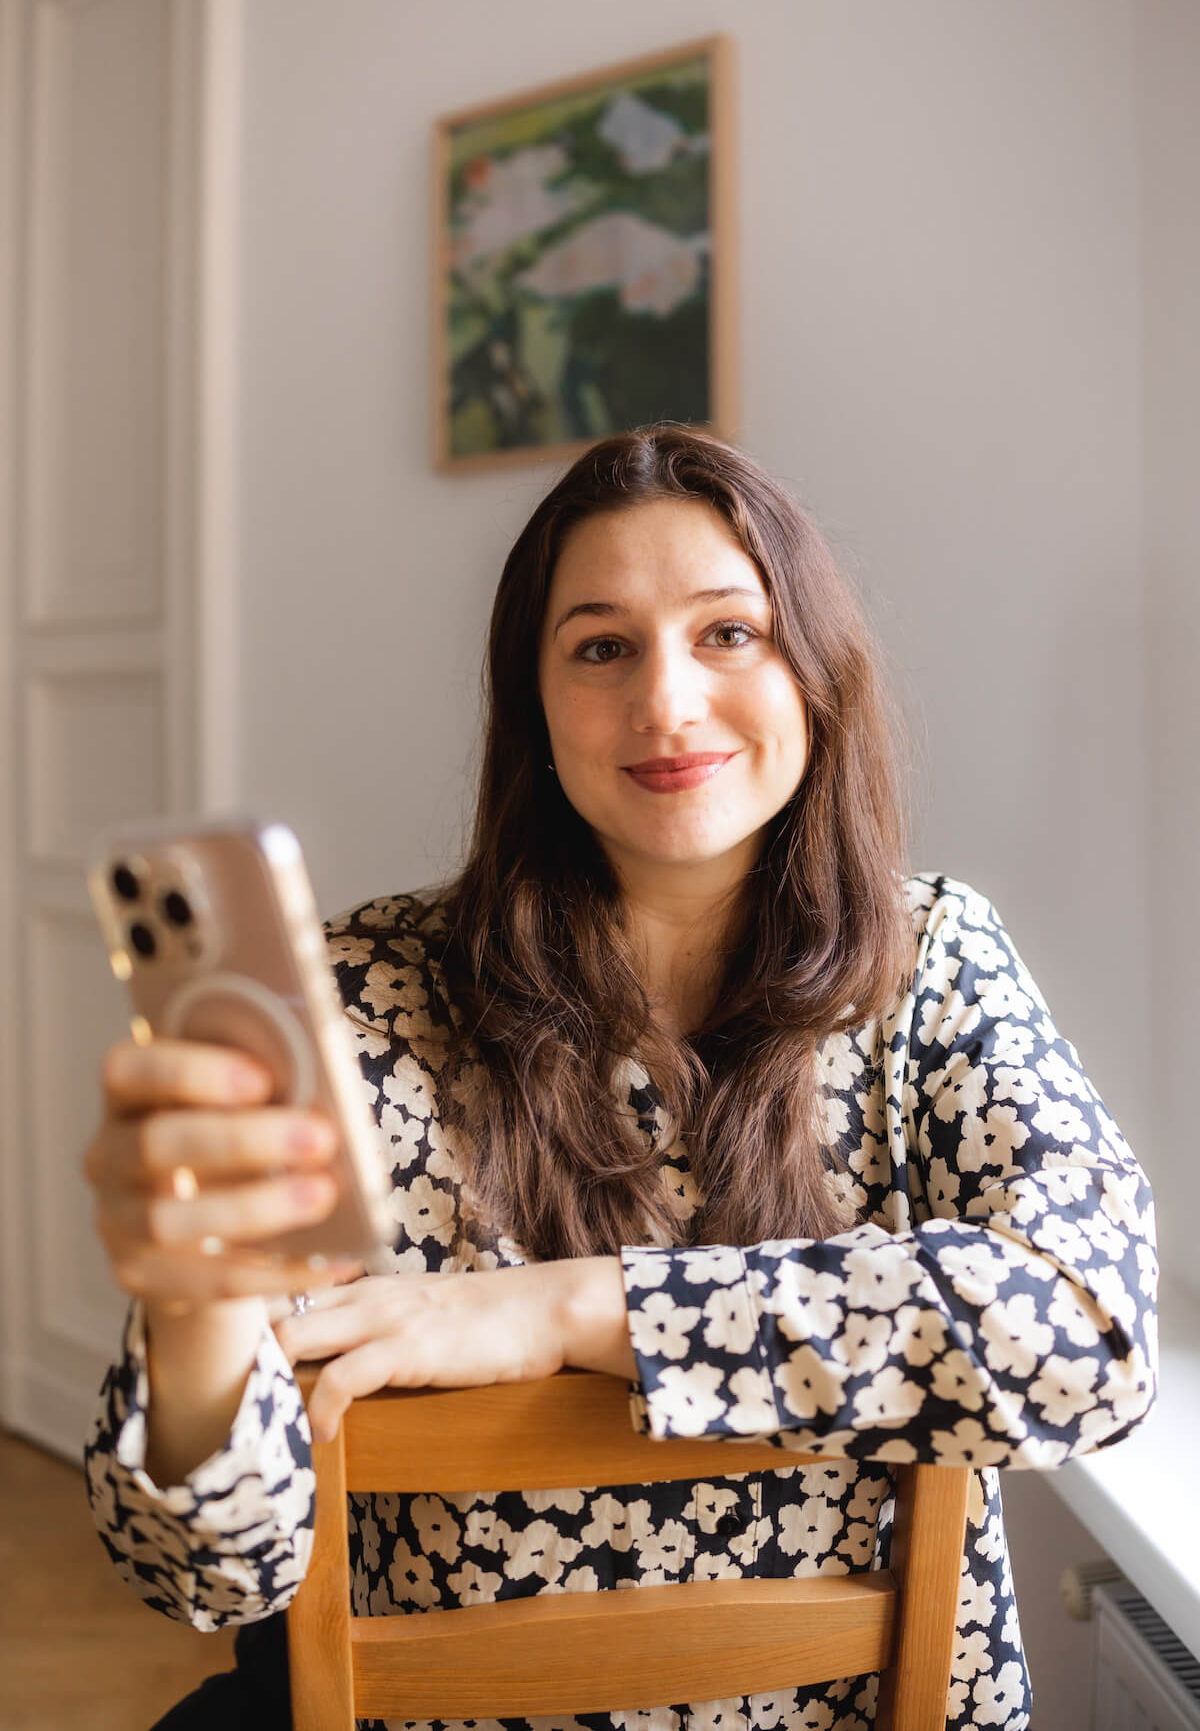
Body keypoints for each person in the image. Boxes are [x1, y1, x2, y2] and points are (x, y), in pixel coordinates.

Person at [83, 425, 1157, 1731]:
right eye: (601, 647)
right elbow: (206, 1569)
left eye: (728, 634)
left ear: (815, 671)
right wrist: (195, 1319)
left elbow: (1087, 1340)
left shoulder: (931, 962)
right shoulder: (366, 997)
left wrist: (571, 1314)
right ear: (532, 703)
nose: (665, 703)